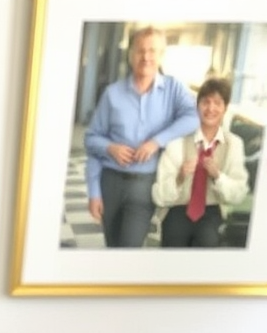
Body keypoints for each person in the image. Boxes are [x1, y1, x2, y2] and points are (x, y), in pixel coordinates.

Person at [84, 25, 198, 247]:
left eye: (152, 51)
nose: (146, 57)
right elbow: (91, 139)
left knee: (129, 248)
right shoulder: (112, 94)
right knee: (113, 247)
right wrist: (110, 149)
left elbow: (192, 118)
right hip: (111, 183)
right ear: (130, 55)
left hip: (145, 187)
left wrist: (157, 141)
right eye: (140, 50)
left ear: (161, 55)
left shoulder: (173, 89)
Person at [152, 76, 250, 247]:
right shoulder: (177, 142)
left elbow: (238, 193)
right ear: (197, 105)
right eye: (206, 102)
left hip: (212, 211)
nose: (211, 108)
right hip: (177, 209)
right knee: (173, 248)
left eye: (217, 103)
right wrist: (179, 178)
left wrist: (218, 176)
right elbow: (159, 196)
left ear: (225, 108)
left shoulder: (234, 144)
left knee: (207, 243)